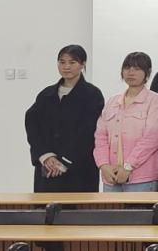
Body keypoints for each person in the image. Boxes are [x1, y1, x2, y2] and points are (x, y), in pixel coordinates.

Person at [25, 45, 104, 192]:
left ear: (83, 64)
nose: (66, 67)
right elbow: (33, 126)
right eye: (62, 62)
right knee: (46, 206)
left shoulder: (92, 94)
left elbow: (89, 132)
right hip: (48, 168)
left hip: (80, 169)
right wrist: (45, 156)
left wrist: (64, 161)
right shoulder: (46, 94)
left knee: (77, 206)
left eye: (72, 62)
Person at [94, 52, 158, 192]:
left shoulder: (155, 100)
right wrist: (103, 165)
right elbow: (100, 136)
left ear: (147, 73)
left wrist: (128, 166)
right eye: (127, 68)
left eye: (137, 68)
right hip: (111, 175)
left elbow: (153, 138)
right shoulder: (113, 101)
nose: (131, 72)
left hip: (141, 178)